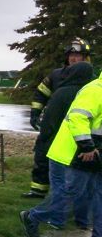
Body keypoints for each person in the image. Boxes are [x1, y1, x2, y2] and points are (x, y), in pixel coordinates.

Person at [21, 68, 102, 237]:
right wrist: (88, 146)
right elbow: (78, 118)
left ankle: (99, 236)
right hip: (75, 151)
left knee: (96, 194)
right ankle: (33, 216)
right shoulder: (96, 90)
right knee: (71, 194)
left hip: (91, 151)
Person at [25, 38, 91, 198]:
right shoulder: (56, 75)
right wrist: (35, 113)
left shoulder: (89, 78)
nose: (74, 58)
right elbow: (41, 93)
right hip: (53, 123)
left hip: (71, 127)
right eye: (71, 55)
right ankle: (38, 190)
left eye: (78, 55)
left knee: (69, 162)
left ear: (85, 58)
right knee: (42, 154)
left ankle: (66, 195)